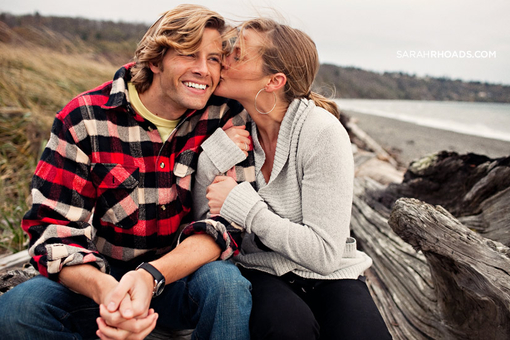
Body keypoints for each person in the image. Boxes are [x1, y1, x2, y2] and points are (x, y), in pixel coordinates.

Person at [0, 5, 252, 340]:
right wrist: (107, 292)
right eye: (188, 54)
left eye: (214, 59)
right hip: (103, 276)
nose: (203, 70)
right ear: (155, 60)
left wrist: (152, 276)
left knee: (228, 286)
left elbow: (228, 223)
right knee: (18, 310)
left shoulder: (225, 115)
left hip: (182, 275)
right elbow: (53, 227)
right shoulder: (85, 118)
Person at [191, 18, 392, 339]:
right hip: (259, 268)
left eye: (237, 55)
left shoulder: (322, 132)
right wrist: (210, 160)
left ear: (274, 81)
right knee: (286, 324)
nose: (223, 60)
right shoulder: (231, 126)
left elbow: (325, 255)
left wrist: (247, 209)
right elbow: (202, 219)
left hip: (332, 273)